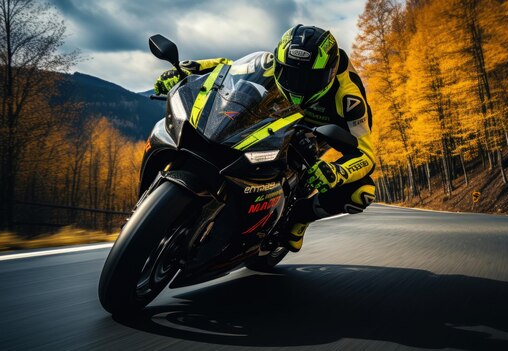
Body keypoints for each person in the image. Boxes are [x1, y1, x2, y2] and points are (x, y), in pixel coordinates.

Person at [154, 25, 376, 252]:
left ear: (329, 73)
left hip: (323, 128)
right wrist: (186, 70)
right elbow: (227, 67)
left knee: (362, 192)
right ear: (279, 62)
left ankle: (300, 217)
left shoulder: (349, 97)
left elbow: (366, 154)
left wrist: (337, 172)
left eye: (308, 79)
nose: (297, 86)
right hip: (277, 116)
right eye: (290, 74)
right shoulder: (269, 62)